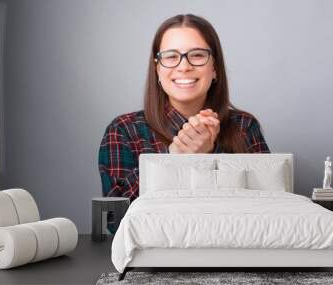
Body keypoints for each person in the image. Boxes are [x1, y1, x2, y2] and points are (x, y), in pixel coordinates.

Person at [98, 14, 270, 232]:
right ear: (157, 69)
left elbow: (267, 212)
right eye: (171, 57)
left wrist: (211, 156)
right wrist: (174, 159)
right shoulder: (123, 130)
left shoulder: (244, 126)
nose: (184, 66)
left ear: (214, 67)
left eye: (197, 55)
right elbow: (115, 222)